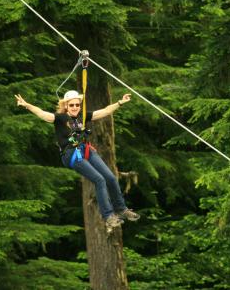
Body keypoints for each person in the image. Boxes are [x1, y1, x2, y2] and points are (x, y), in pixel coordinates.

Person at [15, 90, 140, 231]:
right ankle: (109, 217)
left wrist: (119, 103)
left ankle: (121, 209)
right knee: (99, 179)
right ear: (66, 106)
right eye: (72, 105)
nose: (75, 107)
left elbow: (104, 111)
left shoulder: (83, 116)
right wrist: (27, 105)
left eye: (77, 105)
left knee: (110, 177)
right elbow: (43, 114)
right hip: (71, 154)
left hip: (85, 150)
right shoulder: (60, 118)